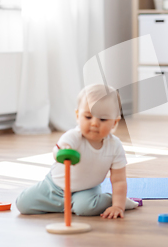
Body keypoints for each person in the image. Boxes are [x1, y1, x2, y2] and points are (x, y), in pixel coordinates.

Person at [16, 84, 138, 218]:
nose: (94, 123)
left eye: (102, 119)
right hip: (54, 187)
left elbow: (119, 180)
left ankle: (115, 200)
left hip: (87, 190)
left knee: (84, 208)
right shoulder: (73, 137)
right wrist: (64, 151)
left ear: (114, 122)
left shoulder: (115, 146)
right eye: (88, 117)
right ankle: (65, 205)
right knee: (22, 204)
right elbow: (57, 152)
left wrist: (118, 206)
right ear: (77, 115)